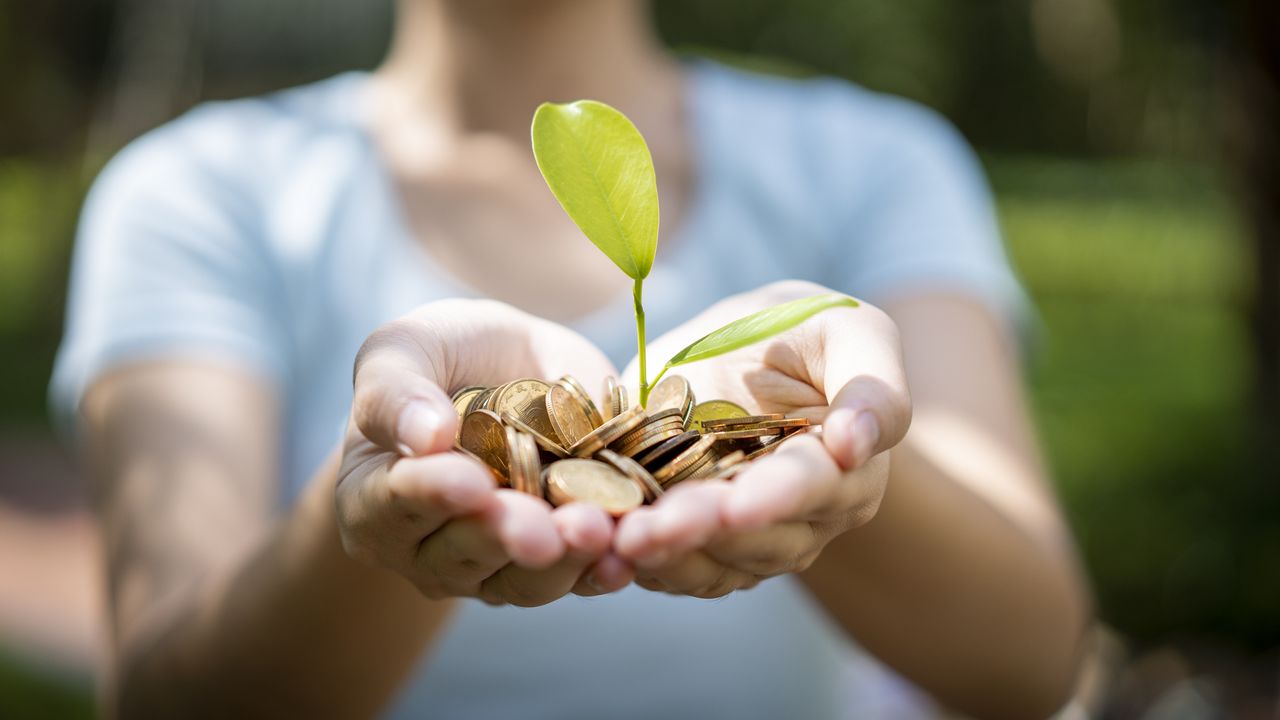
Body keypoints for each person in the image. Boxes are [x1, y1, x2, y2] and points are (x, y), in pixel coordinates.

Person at [52, 0, 1091, 717]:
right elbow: (166, 698)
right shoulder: (200, 192)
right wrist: (382, 509)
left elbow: (1031, 663)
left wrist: (831, 455)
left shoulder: (870, 166)